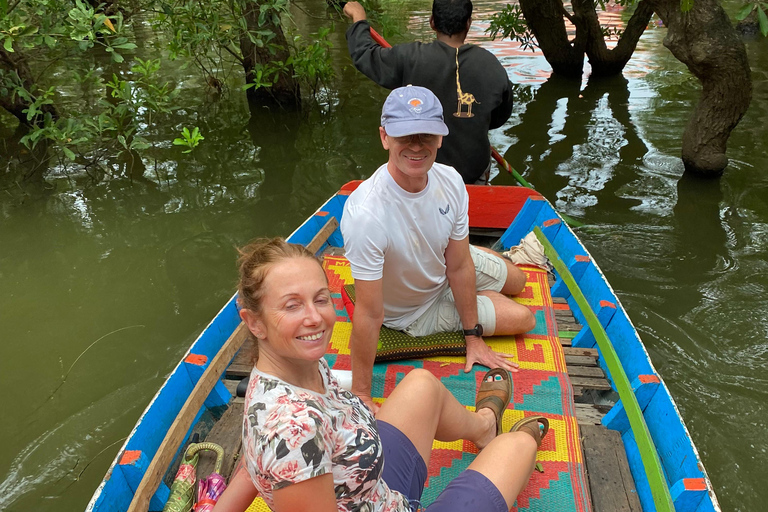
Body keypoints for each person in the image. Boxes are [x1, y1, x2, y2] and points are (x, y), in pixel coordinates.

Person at [211, 237, 549, 512]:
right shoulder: (293, 431)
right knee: (517, 446)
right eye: (292, 305)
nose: (315, 318)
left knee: (421, 385)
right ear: (254, 322)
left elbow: (251, 468)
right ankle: (498, 436)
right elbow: (284, 450)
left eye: (320, 299)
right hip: (373, 494)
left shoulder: (288, 369)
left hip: (372, 488)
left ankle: (485, 427)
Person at [341, 85, 535, 412]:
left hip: (446, 267)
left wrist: (473, 336)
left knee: (519, 282)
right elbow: (370, 312)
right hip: (416, 310)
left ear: (441, 137)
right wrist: (361, 392)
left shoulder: (451, 181)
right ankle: (481, 298)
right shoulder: (366, 214)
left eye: (426, 135)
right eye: (405, 136)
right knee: (524, 318)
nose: (417, 146)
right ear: (385, 137)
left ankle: (480, 294)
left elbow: (458, 265)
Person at [343, 0, 514, 184]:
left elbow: (364, 54)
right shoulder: (492, 66)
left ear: (432, 22)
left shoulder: (409, 58)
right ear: (468, 23)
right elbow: (499, 117)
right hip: (471, 173)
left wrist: (359, 18)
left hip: (422, 171)